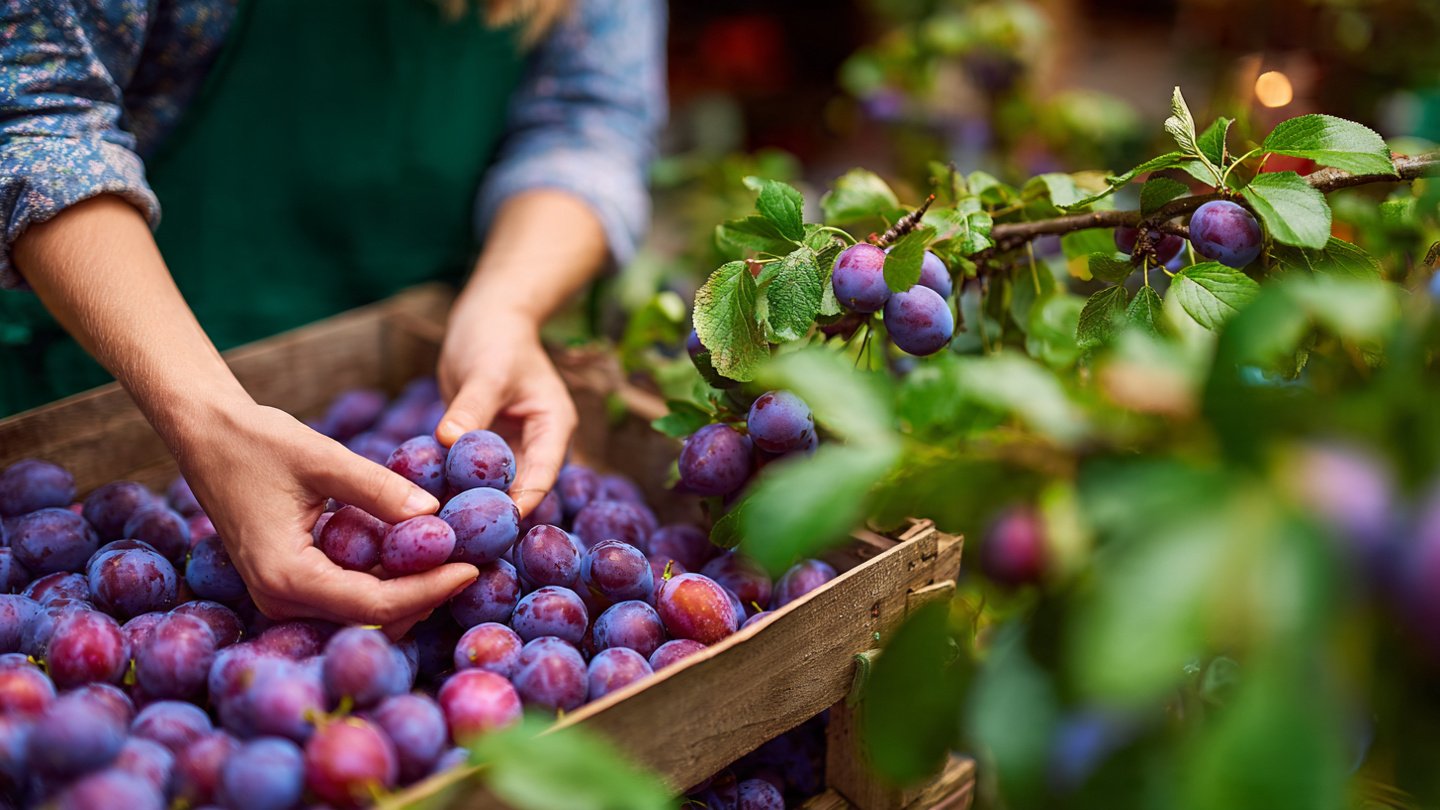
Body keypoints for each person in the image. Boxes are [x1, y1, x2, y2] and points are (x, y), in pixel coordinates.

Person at [0, 0, 666, 636]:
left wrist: (505, 304)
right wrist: (206, 417)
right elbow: (35, 119)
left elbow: (588, 121)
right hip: (110, 359)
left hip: (383, 338)